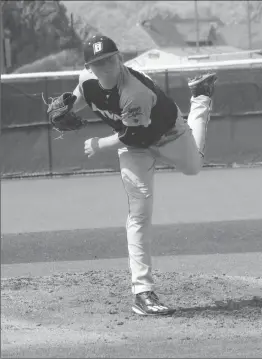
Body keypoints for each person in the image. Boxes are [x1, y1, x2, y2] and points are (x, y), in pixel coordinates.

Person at [72, 34, 217, 316]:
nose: (106, 67)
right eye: (98, 63)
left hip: (168, 134)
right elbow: (80, 95)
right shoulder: (86, 79)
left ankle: (200, 97)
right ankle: (143, 292)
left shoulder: (134, 91)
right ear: (89, 68)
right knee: (139, 210)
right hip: (134, 148)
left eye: (110, 59)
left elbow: (131, 135)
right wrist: (65, 107)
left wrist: (97, 144)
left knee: (193, 167)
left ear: (120, 59)